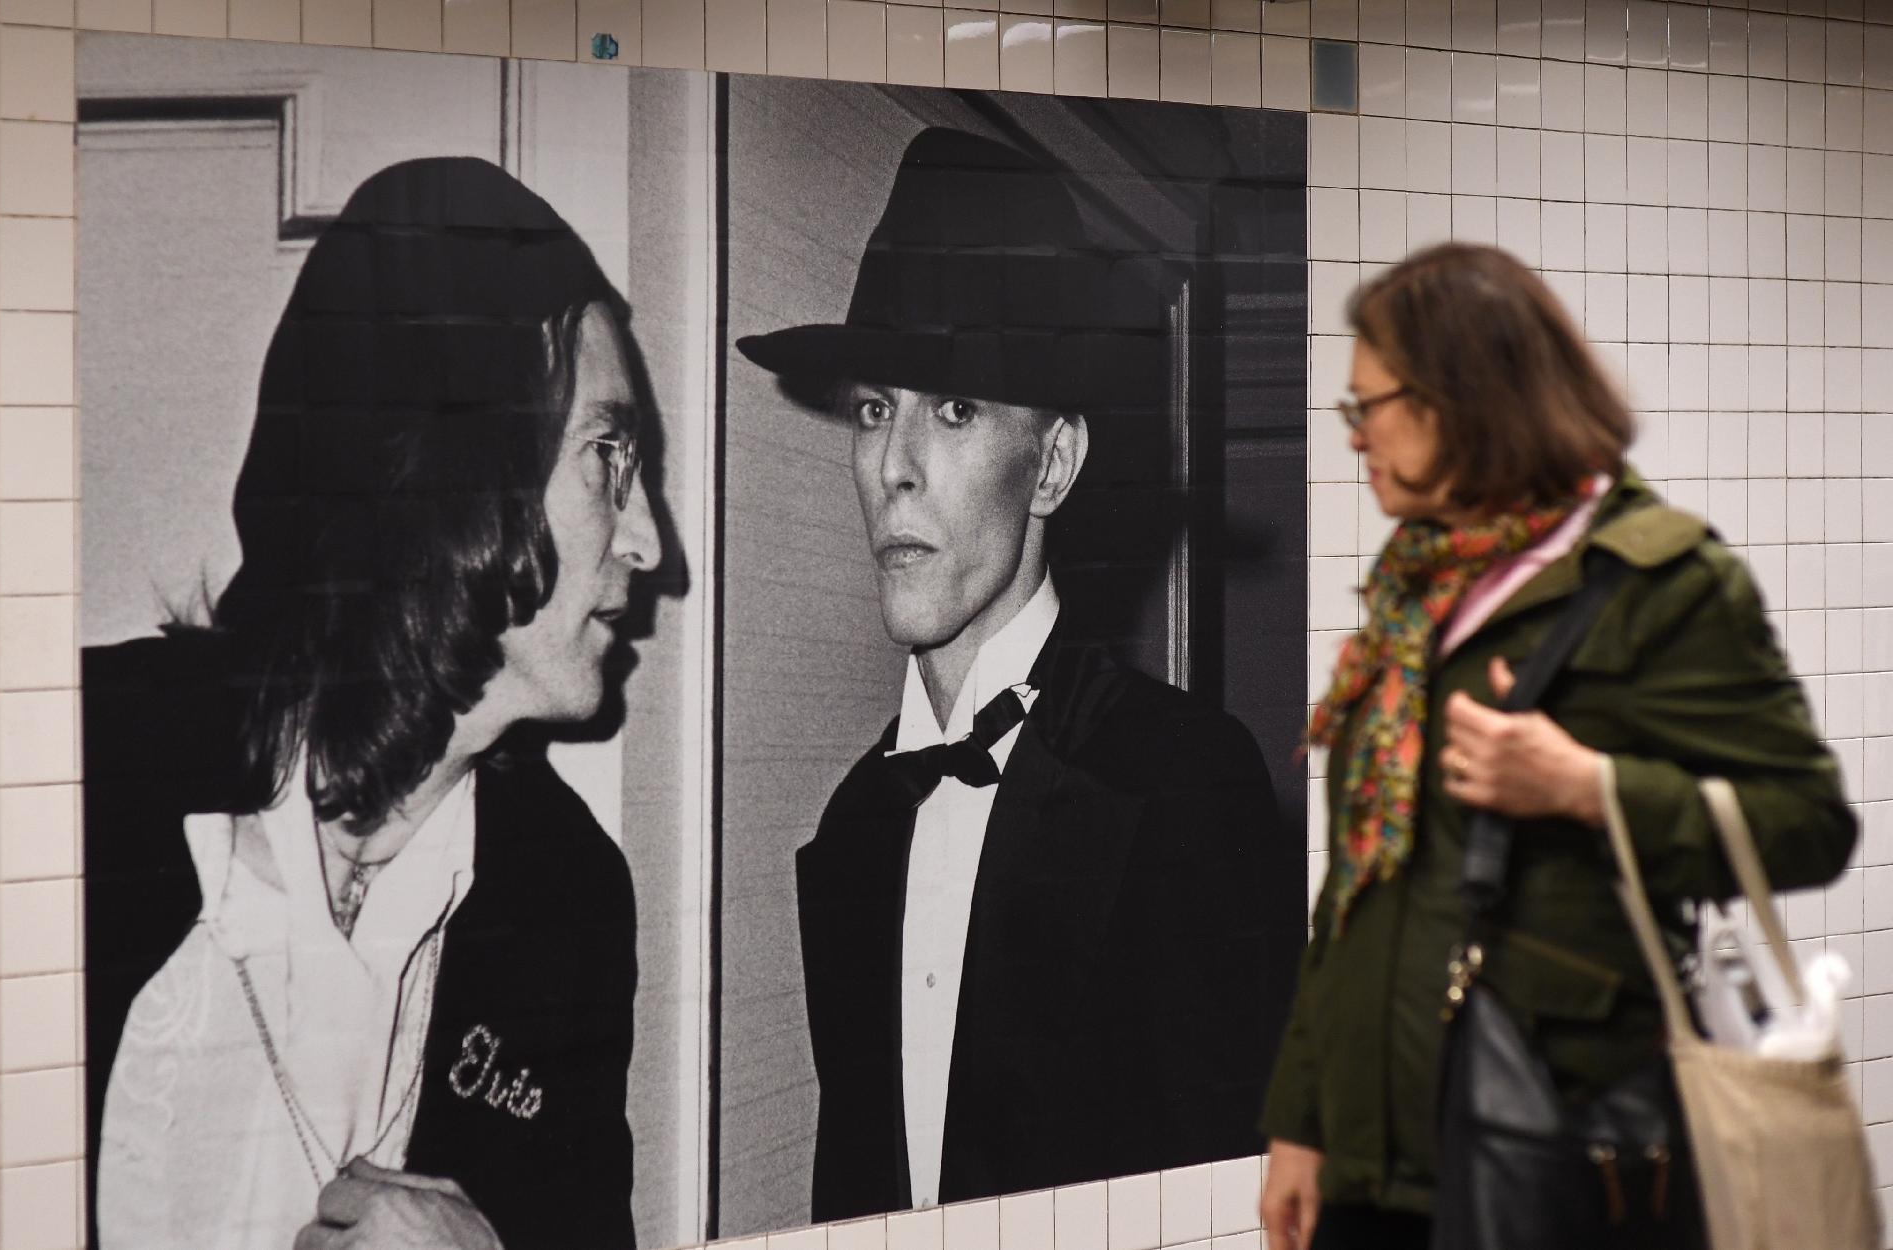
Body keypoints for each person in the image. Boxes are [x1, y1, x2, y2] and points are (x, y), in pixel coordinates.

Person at [84, 156, 661, 1250]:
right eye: (606, 455)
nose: (647, 542)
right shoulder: (68, 772)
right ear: (449, 463)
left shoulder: (567, 900)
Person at [1257, 243, 1858, 1250]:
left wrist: (1591, 787)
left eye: (1372, 405)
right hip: (1373, 1166)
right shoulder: (1415, 589)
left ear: (1462, 399)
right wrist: (1301, 1121)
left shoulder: (1661, 582)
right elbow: (1359, 889)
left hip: (1553, 1149)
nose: (1355, 433)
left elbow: (1808, 822)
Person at [737, 126, 1289, 1221]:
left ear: (1053, 465)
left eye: (953, 409)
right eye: (875, 408)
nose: (894, 469)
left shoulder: (1185, 783)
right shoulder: (854, 826)